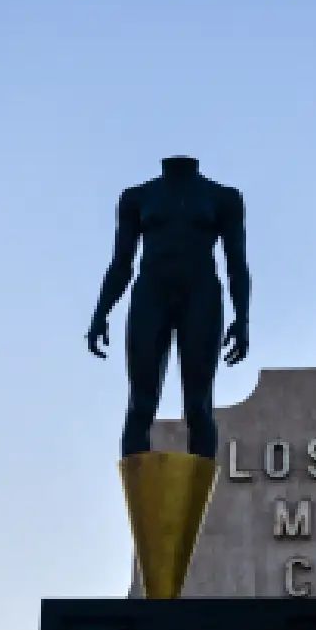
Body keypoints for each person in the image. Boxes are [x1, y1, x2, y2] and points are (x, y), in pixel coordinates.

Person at [86, 156, 250, 458]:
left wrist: (242, 319)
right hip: (151, 296)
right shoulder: (137, 197)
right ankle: (139, 488)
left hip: (201, 297)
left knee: (198, 406)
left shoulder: (223, 198)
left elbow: (236, 263)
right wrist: (101, 312)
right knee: (140, 405)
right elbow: (121, 263)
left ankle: (199, 489)